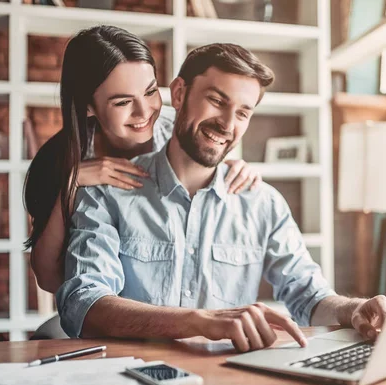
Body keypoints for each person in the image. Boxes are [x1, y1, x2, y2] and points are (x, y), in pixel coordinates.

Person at [57, 42, 386, 352]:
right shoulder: (107, 193)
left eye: (243, 112)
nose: (227, 124)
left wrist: (353, 310)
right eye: (217, 101)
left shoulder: (264, 203)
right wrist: (196, 321)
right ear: (178, 93)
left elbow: (310, 296)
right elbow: (83, 305)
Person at [24, 26, 261, 295]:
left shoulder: (178, 129)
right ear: (87, 106)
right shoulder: (55, 161)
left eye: (150, 92)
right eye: (123, 102)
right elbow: (48, 278)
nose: (144, 112)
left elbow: (212, 159)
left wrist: (231, 168)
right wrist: (71, 183)